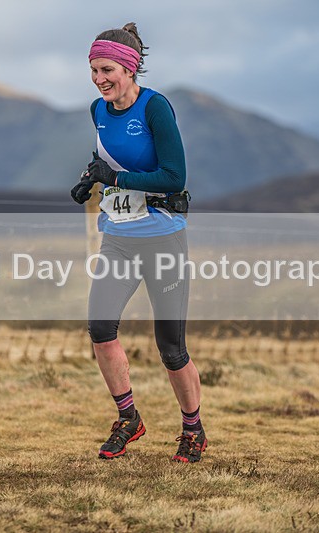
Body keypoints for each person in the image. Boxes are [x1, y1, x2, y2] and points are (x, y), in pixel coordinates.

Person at [70, 22, 207, 463]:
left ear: (129, 69)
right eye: (94, 70)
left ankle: (193, 430)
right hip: (118, 239)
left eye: (107, 70)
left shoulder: (155, 108)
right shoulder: (98, 109)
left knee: (171, 349)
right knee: (100, 329)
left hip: (162, 238)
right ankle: (129, 418)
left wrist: (116, 178)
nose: (99, 79)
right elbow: (108, 159)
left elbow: (174, 176)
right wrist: (92, 177)